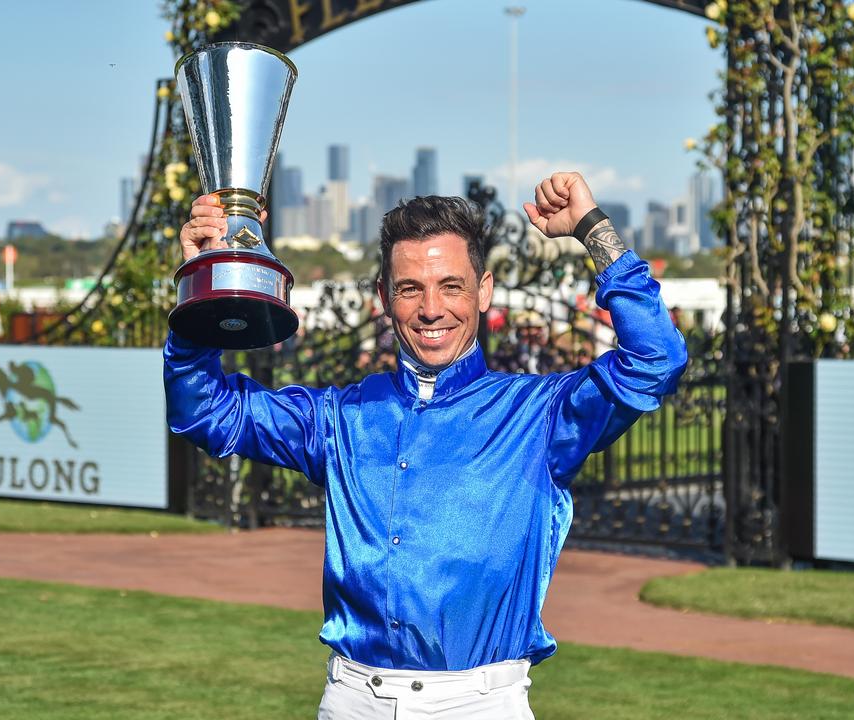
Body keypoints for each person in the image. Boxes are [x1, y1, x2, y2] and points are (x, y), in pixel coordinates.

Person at [165, 172, 688, 719]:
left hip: (480, 703)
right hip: (351, 700)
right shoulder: (342, 418)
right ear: (384, 298)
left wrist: (591, 229)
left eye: (451, 286)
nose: (431, 309)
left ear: (483, 290)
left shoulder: (539, 414)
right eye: (410, 288)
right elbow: (205, 411)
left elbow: (657, 359)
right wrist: (207, 279)